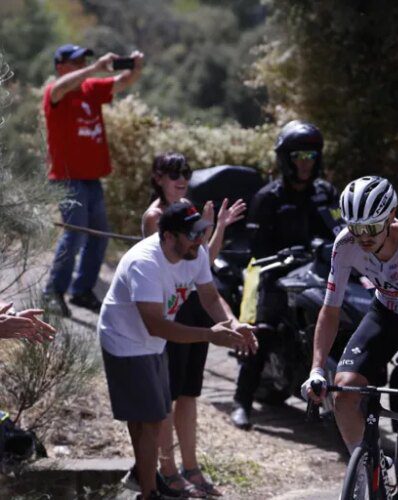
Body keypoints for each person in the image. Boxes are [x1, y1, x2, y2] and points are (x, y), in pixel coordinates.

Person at [302, 176, 398, 499]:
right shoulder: (345, 244)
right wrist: (316, 369)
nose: (362, 238)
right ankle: (372, 467)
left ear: (392, 215)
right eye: (356, 229)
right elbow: (329, 311)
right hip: (386, 313)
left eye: (371, 228)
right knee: (343, 393)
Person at [98, 201, 256, 500]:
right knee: (152, 417)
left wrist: (233, 324)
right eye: (192, 234)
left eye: (201, 233)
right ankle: (149, 492)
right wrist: (210, 335)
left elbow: (210, 298)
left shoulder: (193, 253)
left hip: (152, 341)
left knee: (147, 416)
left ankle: (142, 479)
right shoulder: (145, 263)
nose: (199, 240)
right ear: (169, 236)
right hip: (125, 339)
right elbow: (156, 325)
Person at [142, 153, 246, 496]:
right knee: (168, 398)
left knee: (189, 395)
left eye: (186, 172)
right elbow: (169, 269)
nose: (181, 178)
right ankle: (168, 470)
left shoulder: (188, 207)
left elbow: (203, 262)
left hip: (195, 309)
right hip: (172, 313)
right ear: (158, 177)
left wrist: (219, 227)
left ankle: (191, 467)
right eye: (173, 173)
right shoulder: (155, 217)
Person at [230, 120, 340, 429]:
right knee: (263, 331)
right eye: (298, 157)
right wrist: (284, 253)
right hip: (278, 274)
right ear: (286, 159)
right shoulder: (269, 198)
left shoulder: (326, 193)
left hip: (320, 274)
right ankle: (242, 402)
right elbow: (257, 249)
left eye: (311, 156)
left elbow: (341, 229)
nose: (305, 164)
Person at [42, 44, 144, 317]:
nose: (82, 65)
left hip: (91, 178)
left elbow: (124, 82)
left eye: (84, 60)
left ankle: (82, 291)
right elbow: (61, 87)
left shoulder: (90, 89)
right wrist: (95, 68)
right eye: (76, 62)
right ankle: (52, 292)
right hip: (67, 178)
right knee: (75, 233)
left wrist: (135, 66)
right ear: (60, 66)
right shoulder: (56, 93)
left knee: (99, 237)